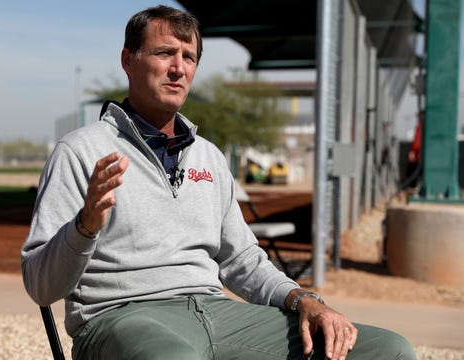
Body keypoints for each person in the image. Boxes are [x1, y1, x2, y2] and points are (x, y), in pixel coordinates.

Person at [21, 5, 416, 360]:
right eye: (164, 54)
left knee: (388, 350)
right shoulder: (80, 151)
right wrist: (84, 226)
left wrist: (304, 300)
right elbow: (41, 287)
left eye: (188, 57)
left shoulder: (208, 156)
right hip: (123, 319)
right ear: (129, 60)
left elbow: (242, 260)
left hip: (217, 313)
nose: (179, 68)